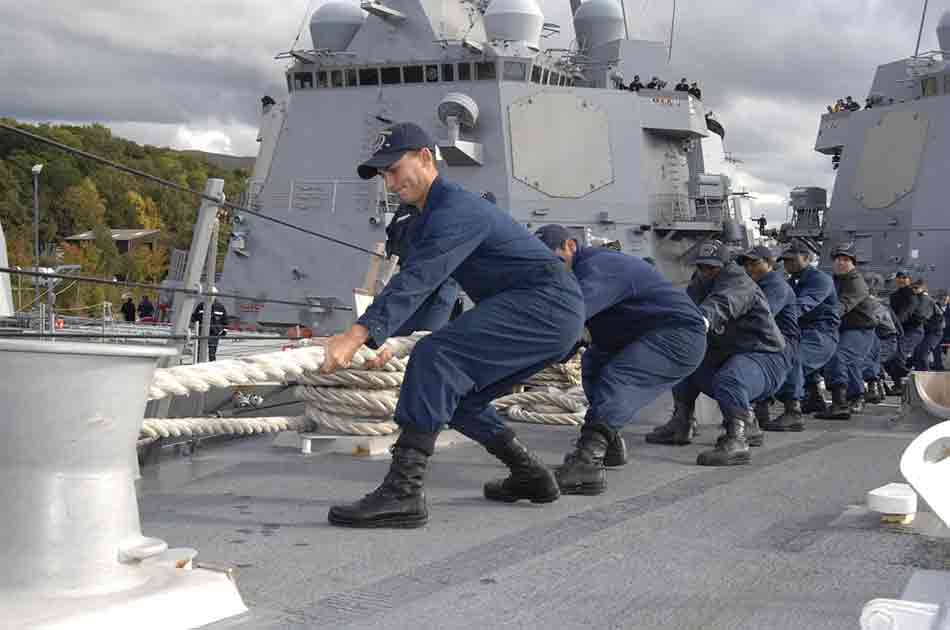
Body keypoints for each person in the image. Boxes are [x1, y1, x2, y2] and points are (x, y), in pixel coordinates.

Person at [321, 122, 585, 528]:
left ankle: (402, 492)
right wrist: (385, 339)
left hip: (543, 305)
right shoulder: (430, 217)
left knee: (435, 357)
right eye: (383, 175)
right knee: (459, 400)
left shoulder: (456, 209)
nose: (389, 183)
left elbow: (416, 280)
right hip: (547, 314)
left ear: (426, 158)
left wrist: (357, 335)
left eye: (394, 170)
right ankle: (531, 475)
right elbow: (427, 286)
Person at [535, 225, 707, 494]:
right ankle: (610, 445)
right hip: (636, 335)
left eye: (555, 259)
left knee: (618, 378)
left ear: (571, 246)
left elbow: (568, 316)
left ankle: (587, 463)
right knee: (594, 366)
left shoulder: (598, 267)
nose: (551, 268)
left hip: (678, 336)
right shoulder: (575, 274)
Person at [646, 241, 788, 466]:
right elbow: (682, 307)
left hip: (764, 357)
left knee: (730, 379)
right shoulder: (700, 283)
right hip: (730, 355)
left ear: (725, 265)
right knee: (683, 361)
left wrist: (701, 320)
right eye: (702, 267)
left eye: (712, 268)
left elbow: (724, 303)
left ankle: (739, 437)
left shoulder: (740, 282)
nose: (706, 272)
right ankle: (681, 423)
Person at [767, 240, 840, 428]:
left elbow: (805, 304)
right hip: (804, 332)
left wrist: (771, 318)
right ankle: (814, 398)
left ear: (807, 258)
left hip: (822, 334)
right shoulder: (791, 282)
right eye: (785, 260)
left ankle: (793, 412)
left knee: (793, 358)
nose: (787, 263)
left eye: (792, 259)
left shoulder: (820, 279)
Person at [737, 246, 800, 440]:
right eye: (746, 264)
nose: (750, 268)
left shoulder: (775, 285)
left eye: (755, 263)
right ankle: (759, 412)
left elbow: (764, 315)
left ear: (769, 263)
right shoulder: (756, 284)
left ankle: (793, 413)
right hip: (766, 337)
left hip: (783, 340)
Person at [814, 243, 876, 419]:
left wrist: (824, 318)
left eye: (846, 260)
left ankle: (840, 403)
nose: (841, 263)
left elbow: (842, 306)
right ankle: (856, 396)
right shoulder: (833, 280)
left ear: (853, 263)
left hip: (861, 329)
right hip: (844, 328)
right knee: (849, 362)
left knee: (839, 356)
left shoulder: (856, 282)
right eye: (838, 259)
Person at [384, 202, 459, 335]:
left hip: (441, 282)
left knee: (428, 336)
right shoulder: (404, 210)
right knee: (396, 335)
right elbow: (392, 235)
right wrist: (394, 255)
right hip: (409, 277)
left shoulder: (444, 205)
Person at [890, 271, 922, 391]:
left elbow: (907, 312)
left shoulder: (912, 295)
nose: (901, 280)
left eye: (904, 277)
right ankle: (898, 384)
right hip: (899, 330)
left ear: (909, 280)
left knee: (899, 355)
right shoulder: (894, 296)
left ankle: (907, 381)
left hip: (913, 330)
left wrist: (895, 323)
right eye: (899, 277)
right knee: (890, 356)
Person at [913, 282, 944, 370]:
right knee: (918, 354)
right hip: (927, 331)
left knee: (923, 354)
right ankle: (919, 374)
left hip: (934, 332)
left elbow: (922, 316)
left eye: (916, 288)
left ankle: (926, 375)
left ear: (922, 289)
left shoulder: (925, 299)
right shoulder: (920, 298)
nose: (913, 290)